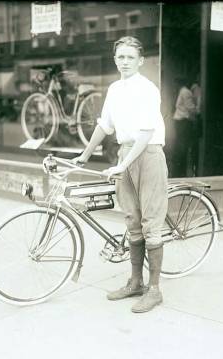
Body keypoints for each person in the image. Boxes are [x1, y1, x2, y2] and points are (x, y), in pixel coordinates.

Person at [72, 36, 168, 313]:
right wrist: (85, 154)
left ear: (140, 61)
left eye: (130, 57)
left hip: (147, 154)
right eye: (120, 57)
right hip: (125, 153)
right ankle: (135, 282)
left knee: (151, 224)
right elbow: (105, 126)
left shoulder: (148, 89)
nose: (124, 61)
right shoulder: (114, 89)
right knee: (132, 220)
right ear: (115, 60)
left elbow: (147, 132)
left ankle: (155, 290)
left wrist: (124, 164)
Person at [171, 77, 197, 177]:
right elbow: (190, 108)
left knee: (181, 147)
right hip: (182, 122)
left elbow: (189, 107)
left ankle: (179, 171)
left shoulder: (184, 91)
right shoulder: (185, 92)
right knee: (181, 147)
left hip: (182, 122)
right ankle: (179, 172)